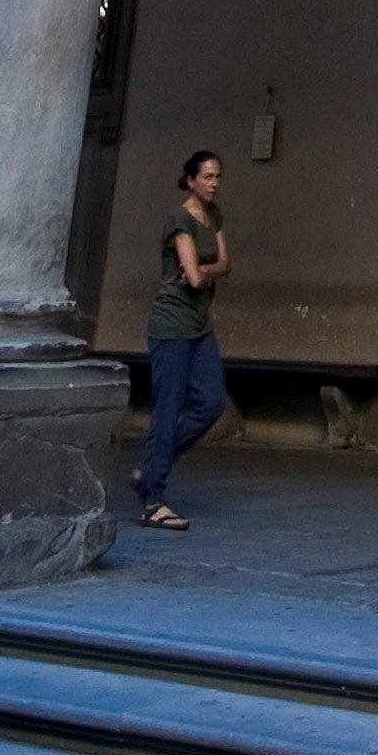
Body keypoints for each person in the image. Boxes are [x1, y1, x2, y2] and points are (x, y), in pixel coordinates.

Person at [132, 145, 229, 531]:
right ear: (190, 180)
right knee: (168, 410)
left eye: (217, 175)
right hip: (171, 325)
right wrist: (204, 272)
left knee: (211, 402)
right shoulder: (179, 218)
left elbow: (224, 265)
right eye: (207, 176)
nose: (214, 183)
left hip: (199, 324)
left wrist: (206, 271)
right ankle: (153, 501)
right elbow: (192, 278)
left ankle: (152, 468)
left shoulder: (214, 215)